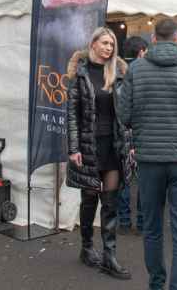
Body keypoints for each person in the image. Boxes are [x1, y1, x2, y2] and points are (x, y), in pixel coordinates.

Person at [119, 18, 177, 290]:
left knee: (152, 227)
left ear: (153, 37)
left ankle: (156, 284)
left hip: (149, 160)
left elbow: (124, 115)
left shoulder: (136, 70)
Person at [66, 27, 131, 279]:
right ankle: (86, 247)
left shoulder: (118, 73)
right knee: (89, 199)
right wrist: (73, 148)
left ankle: (109, 256)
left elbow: (125, 113)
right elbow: (72, 115)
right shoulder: (80, 74)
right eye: (104, 43)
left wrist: (130, 141)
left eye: (111, 44)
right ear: (93, 43)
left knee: (110, 202)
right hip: (88, 147)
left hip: (113, 146)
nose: (108, 48)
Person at [118, 36, 148, 235]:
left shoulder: (113, 71)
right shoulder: (144, 73)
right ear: (141, 52)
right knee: (144, 180)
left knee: (123, 179)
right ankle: (143, 223)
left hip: (120, 132)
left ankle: (124, 221)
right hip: (141, 131)